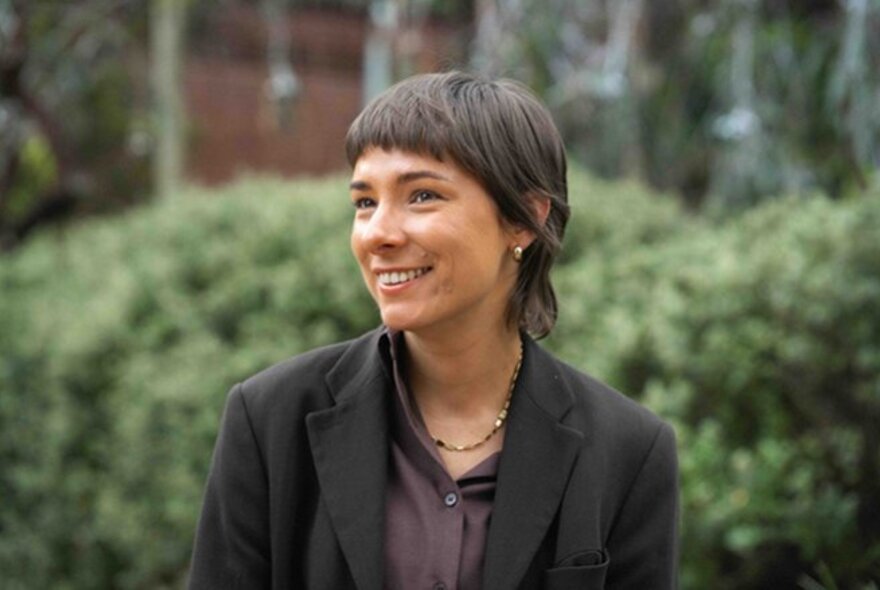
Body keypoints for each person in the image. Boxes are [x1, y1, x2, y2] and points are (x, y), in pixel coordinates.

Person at [188, 71, 679, 590]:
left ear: (524, 220)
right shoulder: (269, 419)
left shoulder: (629, 451)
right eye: (364, 202)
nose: (378, 233)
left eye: (422, 196)